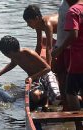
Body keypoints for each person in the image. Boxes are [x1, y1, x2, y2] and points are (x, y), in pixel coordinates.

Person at [52, 0, 83, 129]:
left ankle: (79, 126)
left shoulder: (73, 11)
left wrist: (59, 49)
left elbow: (73, 34)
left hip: (79, 58)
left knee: (71, 92)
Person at [52, 0, 69, 111]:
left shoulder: (76, 6)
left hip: (70, 47)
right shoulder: (64, 3)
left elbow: (74, 33)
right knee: (61, 76)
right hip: (61, 45)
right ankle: (66, 105)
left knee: (71, 77)